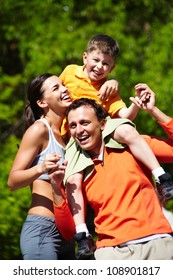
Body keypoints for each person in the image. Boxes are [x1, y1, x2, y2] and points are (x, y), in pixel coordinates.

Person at [60, 34, 173, 259]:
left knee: (126, 129)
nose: (100, 67)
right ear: (85, 58)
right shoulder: (69, 73)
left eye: (106, 64)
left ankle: (161, 176)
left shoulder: (130, 141)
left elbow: (124, 117)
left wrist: (150, 109)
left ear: (102, 123)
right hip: (110, 252)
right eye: (96, 61)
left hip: (155, 242)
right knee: (71, 177)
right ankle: (83, 236)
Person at [7, 73, 75, 260]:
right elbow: (12, 181)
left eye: (63, 85)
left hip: (68, 232)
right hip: (43, 228)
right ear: (42, 103)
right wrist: (41, 167)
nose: (65, 89)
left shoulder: (69, 135)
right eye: (56, 88)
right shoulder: (39, 130)